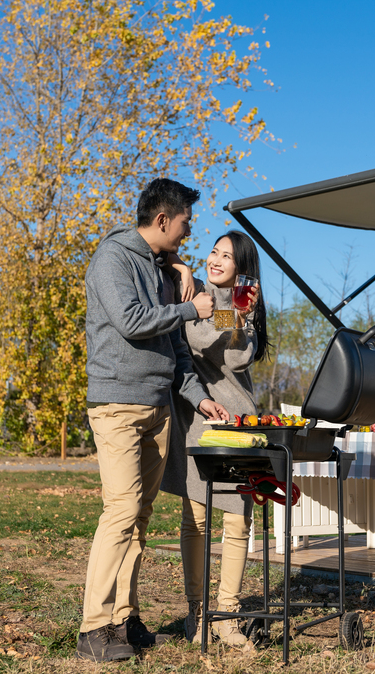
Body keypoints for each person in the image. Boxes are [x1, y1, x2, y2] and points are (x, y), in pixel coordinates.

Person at [78, 178, 229, 662]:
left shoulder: (164, 267)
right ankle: (93, 628)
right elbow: (132, 320)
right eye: (185, 223)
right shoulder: (113, 259)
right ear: (163, 220)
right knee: (121, 512)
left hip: (159, 404)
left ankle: (125, 617)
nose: (189, 232)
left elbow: (177, 348)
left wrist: (198, 398)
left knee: (139, 518)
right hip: (118, 404)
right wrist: (190, 306)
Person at [160, 230, 268, 646]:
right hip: (196, 415)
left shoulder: (245, 303)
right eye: (214, 252)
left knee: (239, 519)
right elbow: (195, 338)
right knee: (196, 519)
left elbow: (240, 355)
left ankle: (228, 613)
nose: (217, 260)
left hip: (237, 417)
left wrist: (242, 318)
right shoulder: (195, 292)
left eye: (228, 256)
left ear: (241, 267)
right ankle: (198, 612)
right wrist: (185, 267)